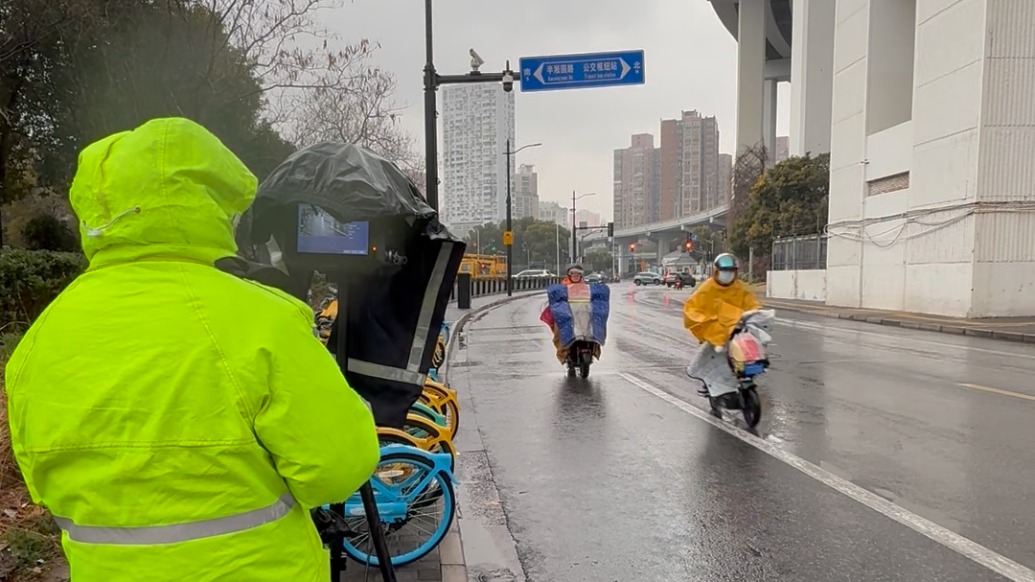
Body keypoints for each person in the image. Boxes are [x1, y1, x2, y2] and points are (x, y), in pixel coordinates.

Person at [3, 118, 380, 582]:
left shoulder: (39, 339)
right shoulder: (263, 319)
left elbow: (42, 482)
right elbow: (339, 467)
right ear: (213, 206)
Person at [682, 253, 760, 395]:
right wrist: (708, 321)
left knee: (751, 353)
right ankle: (708, 382)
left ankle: (746, 377)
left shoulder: (740, 288)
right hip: (715, 333)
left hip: (736, 332)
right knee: (710, 355)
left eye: (731, 271)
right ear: (717, 271)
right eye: (725, 271)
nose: (728, 274)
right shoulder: (706, 288)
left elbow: (752, 305)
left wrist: (753, 317)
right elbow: (692, 308)